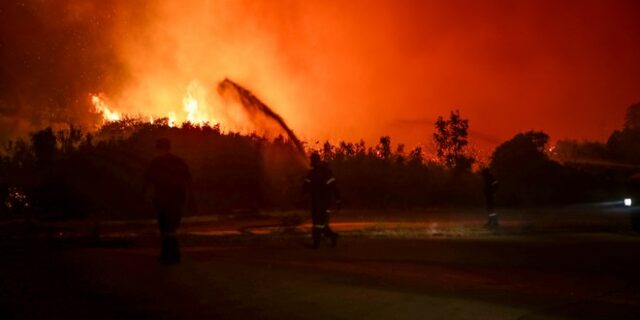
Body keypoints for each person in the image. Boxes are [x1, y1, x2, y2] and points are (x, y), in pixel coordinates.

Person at [145, 138, 193, 264]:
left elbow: (148, 180)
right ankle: (172, 254)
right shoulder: (179, 161)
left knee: (165, 227)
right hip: (178, 198)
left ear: (159, 148)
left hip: (164, 199)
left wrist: (145, 195)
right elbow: (188, 180)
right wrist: (191, 198)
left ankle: (170, 254)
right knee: (171, 227)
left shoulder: (156, 162)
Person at [304, 152, 340, 249]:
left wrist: (338, 199)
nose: (312, 162)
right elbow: (305, 187)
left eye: (312, 160)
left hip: (324, 203)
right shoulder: (313, 173)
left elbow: (333, 187)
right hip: (317, 202)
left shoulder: (323, 172)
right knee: (319, 224)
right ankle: (331, 237)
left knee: (319, 224)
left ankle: (317, 244)